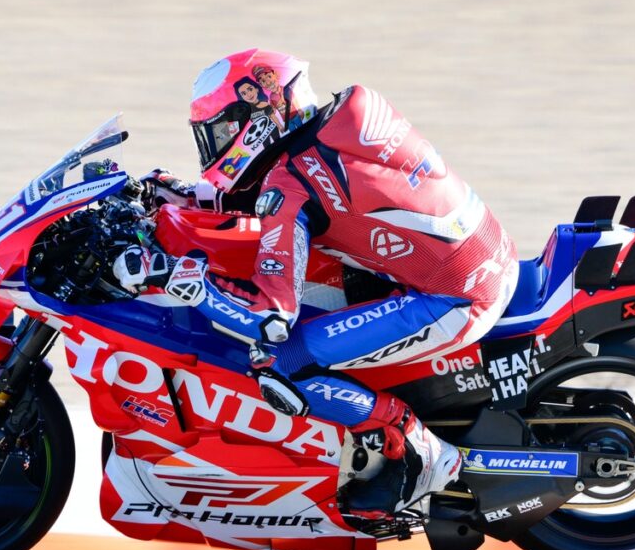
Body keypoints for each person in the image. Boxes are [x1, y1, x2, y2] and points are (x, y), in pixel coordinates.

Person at [113, 49, 518, 516]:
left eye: (222, 131)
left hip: (457, 298)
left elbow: (271, 318)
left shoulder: (291, 184)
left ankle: (414, 448)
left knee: (281, 362)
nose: (218, 145)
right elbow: (293, 190)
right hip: (488, 255)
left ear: (258, 115)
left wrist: (174, 275)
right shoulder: (345, 116)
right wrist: (178, 193)